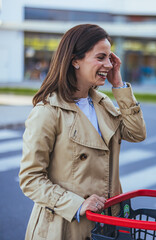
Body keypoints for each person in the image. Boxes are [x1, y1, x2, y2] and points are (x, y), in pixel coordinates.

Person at [19, 24, 146, 240]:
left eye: (110, 58)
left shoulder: (102, 103)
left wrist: (119, 84)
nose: (109, 64)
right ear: (75, 60)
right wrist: (77, 204)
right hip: (64, 226)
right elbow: (30, 178)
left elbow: (137, 133)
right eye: (101, 57)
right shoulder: (48, 111)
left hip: (106, 224)